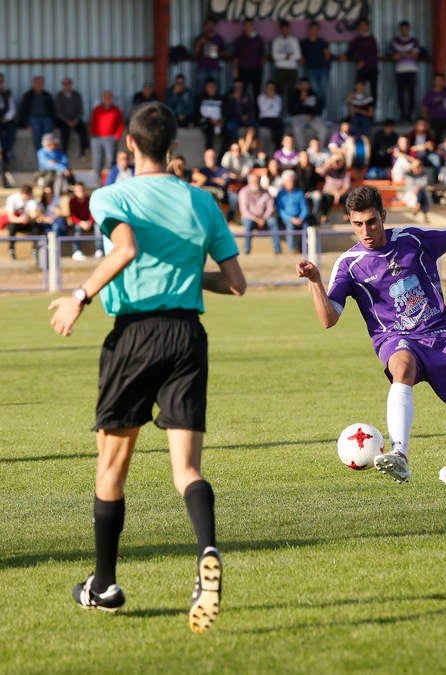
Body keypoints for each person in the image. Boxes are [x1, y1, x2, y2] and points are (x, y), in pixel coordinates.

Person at [48, 101, 246, 632]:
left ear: (129, 146)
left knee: (111, 467)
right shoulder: (203, 201)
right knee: (187, 469)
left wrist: (79, 295)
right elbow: (236, 283)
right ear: (173, 149)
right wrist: (185, 275)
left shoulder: (112, 195)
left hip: (135, 335)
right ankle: (207, 550)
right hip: (187, 333)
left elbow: (126, 249)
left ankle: (105, 584)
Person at [296, 186, 446, 510]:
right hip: (395, 339)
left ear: (383, 217)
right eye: (357, 224)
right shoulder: (350, 264)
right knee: (401, 366)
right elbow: (328, 319)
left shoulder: (412, 239)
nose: (365, 231)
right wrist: (315, 280)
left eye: (371, 222)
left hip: (440, 336)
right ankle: (399, 452)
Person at [388, 20, 422, 122]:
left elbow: (415, 55)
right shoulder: (395, 41)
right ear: (400, 30)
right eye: (402, 30)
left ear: (408, 30)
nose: (404, 31)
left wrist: (401, 54)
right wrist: (408, 54)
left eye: (405, 29)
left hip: (411, 70)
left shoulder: (413, 41)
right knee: (401, 94)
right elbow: (393, 56)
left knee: (411, 94)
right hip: (400, 71)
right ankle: (403, 115)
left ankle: (410, 115)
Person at [90, 91, 125, 185]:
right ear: (102, 98)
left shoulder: (116, 110)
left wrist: (116, 136)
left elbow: (121, 124)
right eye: (105, 97)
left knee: (111, 160)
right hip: (97, 138)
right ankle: (97, 183)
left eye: (109, 97)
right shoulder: (97, 109)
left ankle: (111, 182)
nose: (107, 99)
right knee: (97, 160)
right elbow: (93, 122)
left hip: (110, 138)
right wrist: (93, 134)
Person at [238, 171, 277, 254]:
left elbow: (270, 208)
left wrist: (264, 218)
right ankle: (247, 250)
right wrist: (257, 219)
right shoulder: (243, 192)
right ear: (249, 182)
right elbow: (244, 211)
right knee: (248, 223)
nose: (255, 183)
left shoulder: (266, 192)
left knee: (273, 222)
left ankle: (277, 250)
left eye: (257, 180)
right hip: (250, 218)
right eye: (253, 181)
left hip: (264, 218)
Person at [343, 19, 380, 101]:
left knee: (373, 91)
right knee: (357, 89)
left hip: (372, 68)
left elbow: (374, 54)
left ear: (368, 27)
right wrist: (345, 55)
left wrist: (364, 62)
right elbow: (351, 51)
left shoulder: (372, 39)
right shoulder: (357, 40)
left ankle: (371, 111)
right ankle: (356, 110)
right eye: (361, 26)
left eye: (364, 25)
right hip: (361, 69)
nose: (362, 27)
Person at [300, 21, 332, 114]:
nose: (314, 31)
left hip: (323, 69)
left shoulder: (322, 42)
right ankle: (316, 111)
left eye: (316, 29)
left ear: (318, 30)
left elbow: (327, 55)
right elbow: (301, 56)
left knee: (324, 90)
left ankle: (322, 111)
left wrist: (327, 61)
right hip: (311, 69)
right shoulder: (304, 42)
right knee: (314, 91)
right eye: (312, 29)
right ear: (309, 30)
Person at [274, 170, 308, 254]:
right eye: (289, 181)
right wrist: (291, 219)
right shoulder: (280, 194)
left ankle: (303, 249)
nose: (291, 183)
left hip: (300, 218)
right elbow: (280, 210)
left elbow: (304, 208)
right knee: (290, 225)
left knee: (306, 227)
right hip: (287, 219)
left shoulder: (299, 193)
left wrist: (301, 218)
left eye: (292, 181)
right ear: (284, 183)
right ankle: (291, 249)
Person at [54, 77, 90, 157]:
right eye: (65, 84)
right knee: (64, 133)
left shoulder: (76, 95)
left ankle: (83, 150)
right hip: (63, 121)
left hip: (75, 120)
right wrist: (67, 121)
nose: (67, 86)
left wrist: (75, 120)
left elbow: (80, 110)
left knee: (83, 129)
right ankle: (64, 152)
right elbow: (58, 112)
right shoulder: (59, 96)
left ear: (71, 85)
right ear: (63, 85)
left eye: (68, 84)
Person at [287, 78, 326, 149]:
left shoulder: (313, 94)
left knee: (323, 129)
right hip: (298, 116)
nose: (304, 86)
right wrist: (301, 100)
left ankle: (319, 149)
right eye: (303, 85)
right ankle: (302, 150)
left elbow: (319, 108)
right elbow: (291, 110)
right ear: (299, 85)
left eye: (306, 84)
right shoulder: (294, 94)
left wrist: (313, 115)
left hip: (312, 117)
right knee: (297, 128)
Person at [421, 73, 446, 143]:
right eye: (437, 80)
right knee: (437, 132)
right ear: (434, 81)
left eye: (441, 80)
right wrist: (425, 120)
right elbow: (425, 109)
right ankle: (437, 150)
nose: (439, 82)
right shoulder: (429, 94)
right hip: (435, 118)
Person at [18, 75, 55, 150]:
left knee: (48, 135)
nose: (39, 85)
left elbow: (53, 110)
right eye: (37, 83)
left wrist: (54, 121)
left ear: (43, 84)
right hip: (33, 118)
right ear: (34, 84)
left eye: (41, 83)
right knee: (37, 134)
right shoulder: (28, 95)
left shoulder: (47, 95)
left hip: (46, 118)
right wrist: (26, 123)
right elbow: (23, 110)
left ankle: (48, 151)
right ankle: (40, 152)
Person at [5, 184, 42, 259]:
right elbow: (10, 217)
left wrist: (27, 217)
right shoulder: (12, 198)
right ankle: (11, 250)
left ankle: (35, 250)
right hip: (16, 222)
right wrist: (20, 219)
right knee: (12, 226)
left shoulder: (32, 199)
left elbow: (34, 214)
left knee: (36, 226)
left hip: (27, 222)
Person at [272, 19, 302, 109]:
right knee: (278, 92)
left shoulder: (294, 40)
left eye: (286, 28)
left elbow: (298, 55)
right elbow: (274, 56)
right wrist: (287, 56)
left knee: (292, 92)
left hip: (292, 69)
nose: (285, 30)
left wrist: (282, 57)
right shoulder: (276, 41)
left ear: (289, 29)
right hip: (280, 69)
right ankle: (277, 112)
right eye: (283, 28)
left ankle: (290, 113)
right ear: (280, 29)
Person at [68, 181, 103, 260]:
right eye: (77, 190)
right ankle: (76, 251)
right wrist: (81, 223)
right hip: (79, 223)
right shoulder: (72, 201)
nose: (80, 192)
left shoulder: (89, 200)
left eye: (81, 189)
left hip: (90, 222)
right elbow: (73, 216)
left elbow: (93, 213)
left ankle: (99, 250)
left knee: (98, 227)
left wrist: (90, 222)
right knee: (77, 228)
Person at [232, 19, 265, 100]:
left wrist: (262, 68)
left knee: (256, 91)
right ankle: (242, 111)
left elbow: (262, 55)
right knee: (243, 91)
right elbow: (236, 57)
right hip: (243, 69)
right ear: (243, 26)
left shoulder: (258, 39)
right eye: (246, 25)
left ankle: (256, 112)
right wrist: (235, 70)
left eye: (250, 25)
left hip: (256, 69)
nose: (248, 27)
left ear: (253, 26)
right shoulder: (239, 39)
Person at [193, 19, 225, 96]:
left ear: (214, 26)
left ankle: (216, 107)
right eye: (208, 25)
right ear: (205, 26)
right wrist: (200, 43)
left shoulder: (218, 39)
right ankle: (200, 107)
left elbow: (222, 54)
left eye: (211, 25)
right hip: (202, 67)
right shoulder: (200, 38)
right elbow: (195, 53)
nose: (209, 27)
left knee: (216, 90)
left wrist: (209, 45)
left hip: (214, 67)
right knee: (200, 90)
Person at [36, 132, 74, 197]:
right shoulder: (41, 152)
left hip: (59, 171)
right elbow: (48, 165)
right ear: (48, 144)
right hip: (45, 172)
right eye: (53, 143)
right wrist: (62, 168)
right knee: (56, 173)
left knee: (62, 173)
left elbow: (65, 161)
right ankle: (58, 192)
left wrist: (57, 164)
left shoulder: (58, 151)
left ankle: (61, 191)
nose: (55, 145)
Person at [195, 79, 225, 152]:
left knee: (228, 134)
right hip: (207, 122)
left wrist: (222, 120)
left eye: (213, 87)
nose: (212, 89)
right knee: (209, 133)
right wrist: (210, 120)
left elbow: (225, 111)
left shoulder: (221, 98)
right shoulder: (201, 98)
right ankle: (209, 154)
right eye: (209, 87)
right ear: (206, 88)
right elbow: (197, 114)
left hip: (219, 122)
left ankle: (221, 157)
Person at [256, 80, 284, 152]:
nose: (271, 89)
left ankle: (277, 148)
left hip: (275, 118)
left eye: (272, 88)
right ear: (266, 88)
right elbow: (263, 109)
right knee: (273, 128)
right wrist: (270, 99)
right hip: (264, 119)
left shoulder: (278, 98)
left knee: (279, 126)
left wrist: (272, 98)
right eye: (269, 88)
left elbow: (278, 110)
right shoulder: (261, 97)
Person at [0, 73, 17, 171]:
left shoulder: (7, 94)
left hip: (5, 119)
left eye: (1, 81)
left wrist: (6, 118)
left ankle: (7, 152)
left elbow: (12, 109)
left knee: (11, 129)